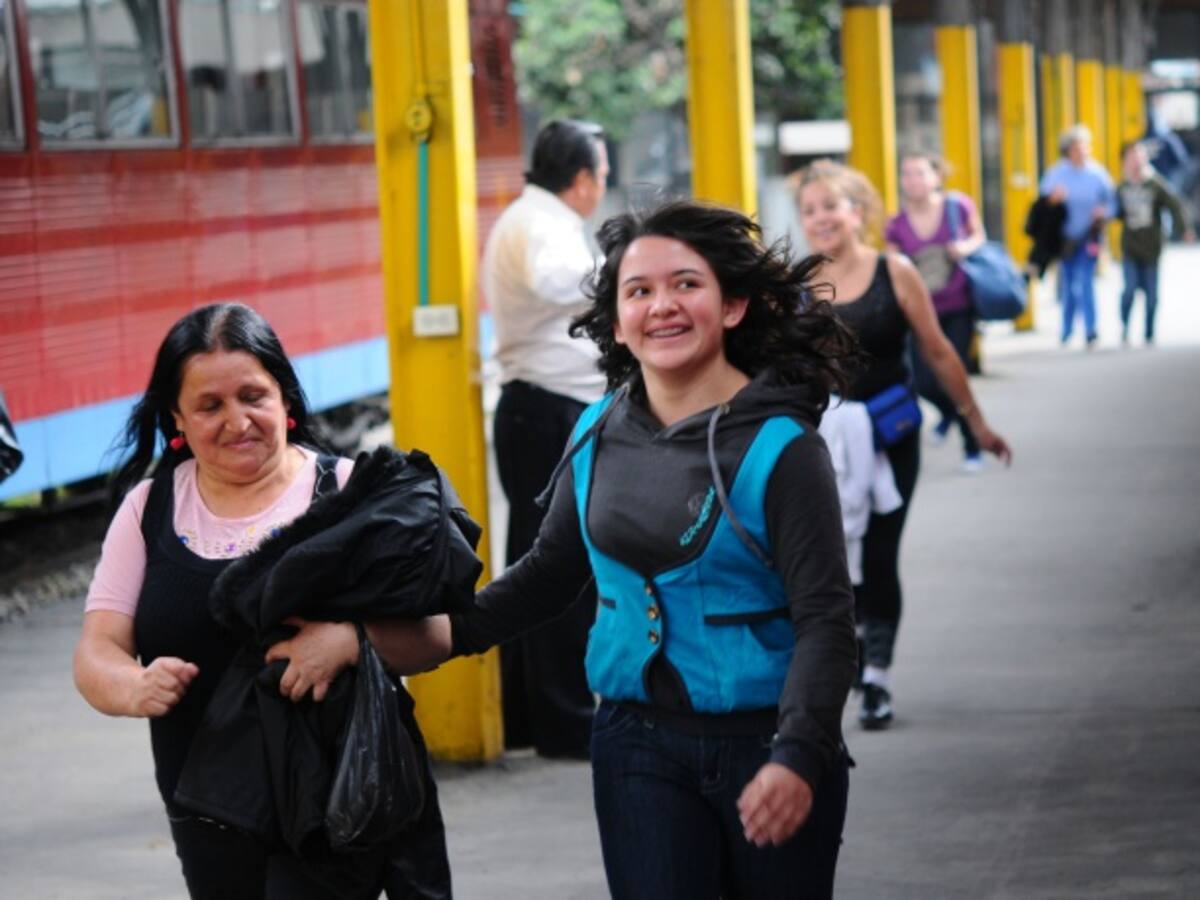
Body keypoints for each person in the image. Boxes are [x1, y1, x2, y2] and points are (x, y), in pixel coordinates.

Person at [370, 199, 861, 899]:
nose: (662, 305)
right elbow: (550, 574)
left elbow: (826, 622)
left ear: (733, 306)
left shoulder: (785, 449)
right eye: (639, 290)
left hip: (767, 742)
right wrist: (444, 636)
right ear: (618, 321)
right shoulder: (598, 429)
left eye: (686, 284)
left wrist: (801, 753)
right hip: (635, 743)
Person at [73, 303, 470, 900]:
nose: (237, 421)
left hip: (333, 799)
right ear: (177, 417)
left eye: (252, 396)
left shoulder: (347, 491)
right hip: (203, 801)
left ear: (285, 398)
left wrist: (350, 642)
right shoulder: (151, 507)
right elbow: (97, 650)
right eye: (210, 406)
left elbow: (437, 636)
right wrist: (132, 687)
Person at [792, 160, 1012, 730]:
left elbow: (939, 351)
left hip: (892, 436)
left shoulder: (896, 271)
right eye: (809, 210)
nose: (820, 219)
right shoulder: (794, 285)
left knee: (881, 555)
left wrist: (977, 424)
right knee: (831, 566)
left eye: (830, 207)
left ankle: (877, 679)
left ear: (857, 212)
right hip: (818, 448)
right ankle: (846, 663)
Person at [483, 118, 610, 759]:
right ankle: (562, 720)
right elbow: (558, 281)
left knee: (536, 566)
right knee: (558, 568)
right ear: (583, 179)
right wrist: (619, 274)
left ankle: (530, 716)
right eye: (603, 176)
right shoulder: (542, 226)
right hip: (546, 410)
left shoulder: (538, 218)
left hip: (542, 409)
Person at [886, 152, 987, 472]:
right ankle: (948, 415)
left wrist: (964, 248)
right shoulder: (896, 224)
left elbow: (978, 236)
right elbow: (890, 264)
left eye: (919, 172)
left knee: (955, 376)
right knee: (925, 383)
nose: (912, 180)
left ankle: (972, 446)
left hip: (958, 306)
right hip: (919, 313)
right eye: (906, 174)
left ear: (935, 177)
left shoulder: (957, 207)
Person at [1038, 125, 1116, 349]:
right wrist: (1053, 200)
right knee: (1069, 283)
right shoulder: (1056, 174)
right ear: (1067, 151)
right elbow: (1042, 204)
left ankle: (1091, 329)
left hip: (1088, 236)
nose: (1081, 152)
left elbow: (1112, 202)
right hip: (1065, 239)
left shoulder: (1097, 174)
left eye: (1084, 147)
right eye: (1076, 148)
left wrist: (1104, 212)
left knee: (1085, 281)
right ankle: (1067, 328)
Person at [1115, 140, 1196, 346]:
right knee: (1129, 290)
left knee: (1152, 296)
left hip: (1152, 248)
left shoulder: (1155, 183)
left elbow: (1175, 205)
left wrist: (1184, 229)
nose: (1136, 160)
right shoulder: (1122, 186)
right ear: (1125, 160)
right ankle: (1124, 326)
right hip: (1130, 247)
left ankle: (1149, 333)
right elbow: (1114, 211)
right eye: (1132, 156)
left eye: (1140, 155)